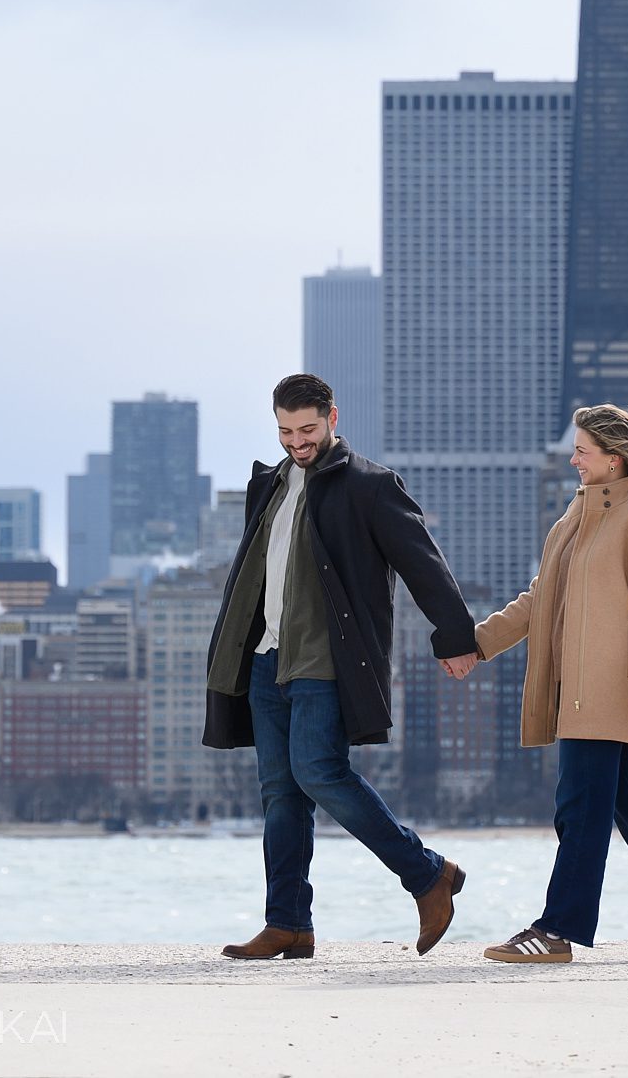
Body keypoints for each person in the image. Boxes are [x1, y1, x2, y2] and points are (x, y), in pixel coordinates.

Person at [204, 373, 480, 960]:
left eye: (307, 430)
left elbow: (422, 563)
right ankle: (288, 922)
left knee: (319, 772)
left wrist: (455, 636)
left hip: (326, 659)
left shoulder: (371, 486)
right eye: (285, 431)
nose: (297, 442)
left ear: (333, 417)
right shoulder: (270, 485)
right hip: (264, 658)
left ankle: (426, 873)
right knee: (279, 791)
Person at [459, 403, 628, 964]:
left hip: (613, 689)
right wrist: (478, 643)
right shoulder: (574, 517)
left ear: (614, 458)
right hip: (577, 688)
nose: (573, 457)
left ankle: (557, 930)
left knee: (581, 807)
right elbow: (540, 599)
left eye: (583, 449)